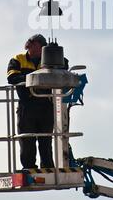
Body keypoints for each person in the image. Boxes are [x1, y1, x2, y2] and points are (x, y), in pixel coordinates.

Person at [7, 34, 68, 169]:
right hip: (26, 106)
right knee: (27, 139)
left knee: (45, 140)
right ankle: (29, 167)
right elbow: (12, 78)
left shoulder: (47, 59)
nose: (41, 48)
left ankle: (47, 166)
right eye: (39, 45)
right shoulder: (18, 60)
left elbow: (65, 65)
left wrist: (55, 54)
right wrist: (36, 78)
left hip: (45, 104)